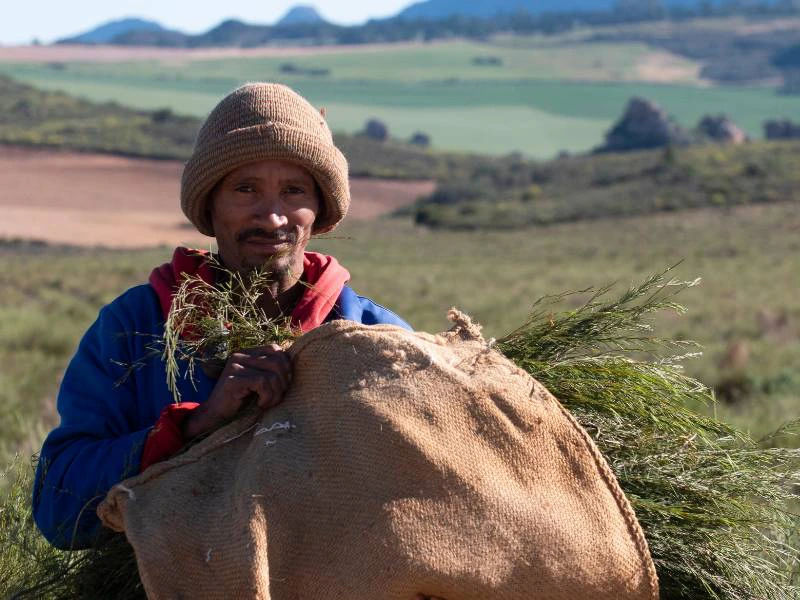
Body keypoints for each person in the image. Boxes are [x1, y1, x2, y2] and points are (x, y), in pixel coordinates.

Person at [33, 83, 411, 550]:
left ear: (320, 210)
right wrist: (197, 424)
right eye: (245, 189)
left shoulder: (375, 335)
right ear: (209, 206)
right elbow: (58, 507)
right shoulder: (134, 327)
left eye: (293, 190)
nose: (272, 217)